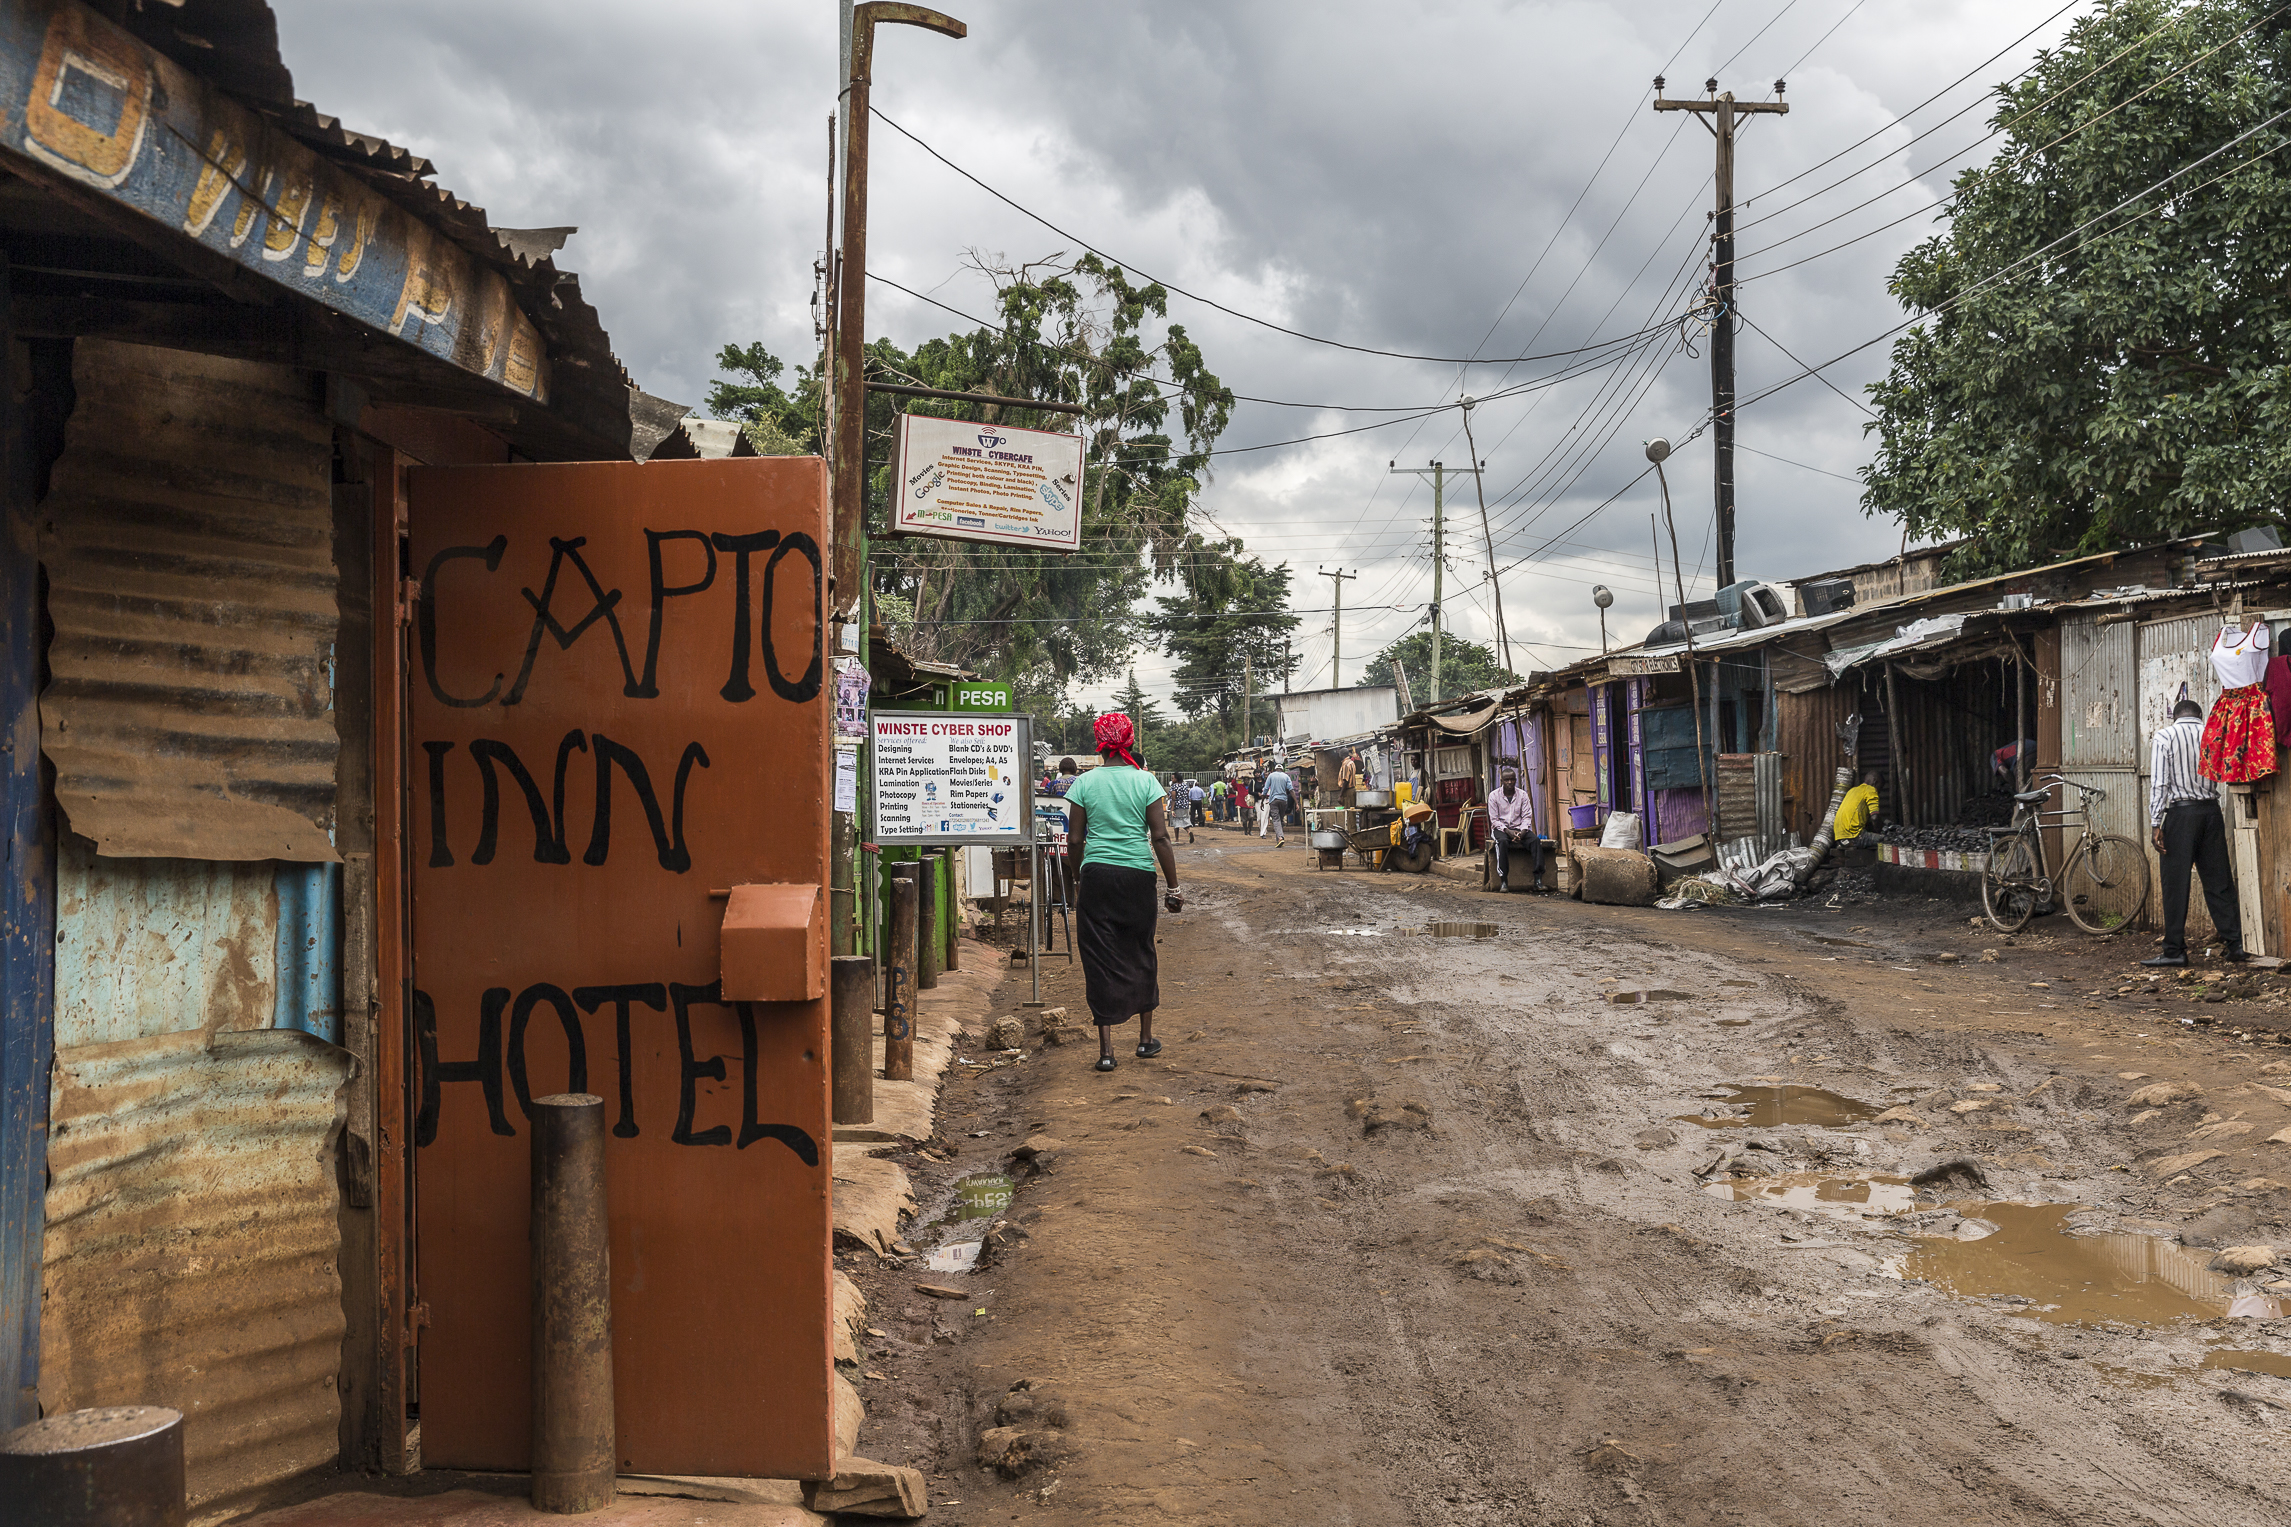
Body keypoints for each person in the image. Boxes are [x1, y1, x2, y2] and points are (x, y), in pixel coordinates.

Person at [1064, 713, 1183, 1072]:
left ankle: (1106, 1051)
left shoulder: (1084, 784)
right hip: (1137, 876)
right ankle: (1145, 1041)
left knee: (1099, 957)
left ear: (1100, 744)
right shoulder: (1146, 782)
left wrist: (1078, 879)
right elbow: (1160, 837)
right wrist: (1173, 886)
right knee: (1140, 950)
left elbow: (1074, 840)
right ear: (1130, 742)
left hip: (1097, 876)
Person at [2146, 695, 2247, 967]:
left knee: (2175, 883)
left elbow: (2159, 784)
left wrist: (2156, 823)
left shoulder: (2165, 736)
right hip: (2211, 811)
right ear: (2199, 716)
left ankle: (2174, 950)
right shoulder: (2212, 734)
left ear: (2176, 716)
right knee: (2219, 880)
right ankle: (2235, 944)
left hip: (2181, 814)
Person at [1485, 765, 1543, 892]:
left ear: (1516, 780)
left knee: (1535, 841)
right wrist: (1508, 832)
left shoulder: (1523, 795)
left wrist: (1522, 832)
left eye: (1512, 779)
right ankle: (1504, 880)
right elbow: (1494, 820)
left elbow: (1527, 817)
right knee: (1502, 842)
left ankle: (1538, 880)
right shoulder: (1494, 796)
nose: (1510, 782)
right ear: (1502, 781)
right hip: (1501, 829)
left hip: (1519, 828)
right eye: (1507, 780)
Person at [1831, 768, 1882, 867]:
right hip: (1854, 837)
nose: (1879, 791)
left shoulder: (1852, 791)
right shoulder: (1871, 790)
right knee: (1889, 840)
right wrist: (1880, 831)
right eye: (1880, 787)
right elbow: (1875, 818)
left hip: (1840, 839)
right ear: (1875, 782)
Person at [1260, 762, 1294, 845]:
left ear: (1275, 769)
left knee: (1276, 819)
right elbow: (1291, 790)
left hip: (1274, 800)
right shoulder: (1286, 776)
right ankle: (1279, 838)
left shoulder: (1271, 776)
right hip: (1283, 800)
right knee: (1280, 819)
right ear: (1282, 770)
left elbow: (1265, 789)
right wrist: (1296, 803)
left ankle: (1280, 837)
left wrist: (1262, 801)